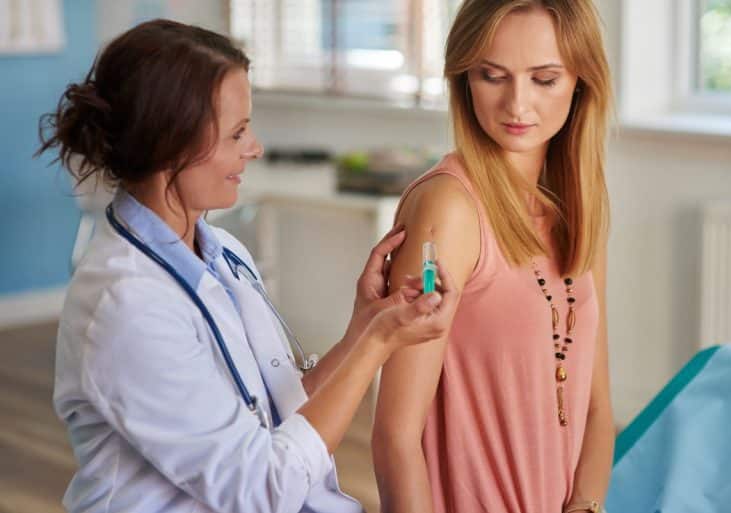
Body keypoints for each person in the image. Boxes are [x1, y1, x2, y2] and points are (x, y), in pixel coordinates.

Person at [38, 19, 458, 513]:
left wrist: (364, 328)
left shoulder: (223, 253)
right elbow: (261, 490)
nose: (255, 148)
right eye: (237, 133)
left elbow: (278, 412)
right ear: (170, 143)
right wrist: (378, 343)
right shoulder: (126, 306)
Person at [372, 1, 614, 512]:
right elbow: (396, 435)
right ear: (465, 78)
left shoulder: (579, 203)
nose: (516, 105)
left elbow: (596, 407)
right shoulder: (449, 210)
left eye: (544, 79)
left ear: (580, 81)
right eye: (492, 75)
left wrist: (587, 506)